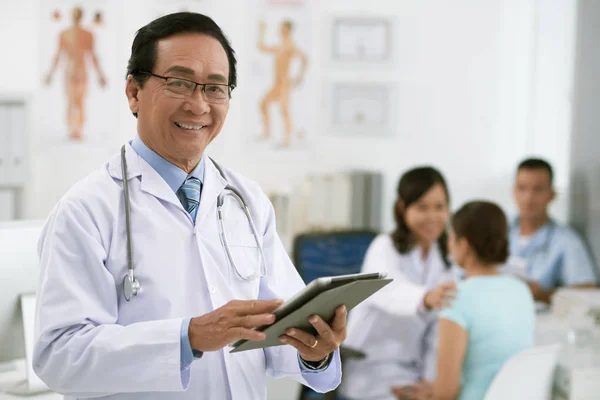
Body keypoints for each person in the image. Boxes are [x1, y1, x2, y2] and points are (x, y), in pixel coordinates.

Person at [33, 12, 344, 400]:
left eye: (215, 88)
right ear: (134, 92)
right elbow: (59, 356)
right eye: (179, 83)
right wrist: (187, 337)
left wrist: (314, 352)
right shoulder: (85, 210)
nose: (199, 105)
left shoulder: (248, 201)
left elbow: (282, 326)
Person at [339, 167, 459, 400]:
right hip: (368, 366)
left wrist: (430, 381)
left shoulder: (446, 259)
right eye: (422, 207)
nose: (433, 217)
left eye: (440, 207)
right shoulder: (384, 247)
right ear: (402, 209)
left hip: (409, 370)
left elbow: (439, 329)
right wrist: (425, 298)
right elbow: (387, 291)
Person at [433, 201, 535, 400]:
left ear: (464, 245)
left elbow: (446, 393)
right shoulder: (521, 290)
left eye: (451, 237)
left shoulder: (456, 298)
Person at [508, 158, 597, 305]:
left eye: (538, 189)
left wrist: (542, 294)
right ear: (514, 191)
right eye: (522, 188)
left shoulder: (567, 240)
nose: (528, 197)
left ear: (552, 194)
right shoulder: (498, 229)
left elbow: (588, 291)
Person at [44, 7, 107, 141]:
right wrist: (100, 75)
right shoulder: (86, 34)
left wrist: (50, 74)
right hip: (79, 71)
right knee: (78, 102)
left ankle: (75, 130)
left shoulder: (66, 34)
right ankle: (75, 130)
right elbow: (92, 57)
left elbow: (58, 56)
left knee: (73, 101)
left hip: (71, 71)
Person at [257, 20, 308, 147]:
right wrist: (262, 30)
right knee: (263, 104)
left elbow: (304, 58)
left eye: (282, 27)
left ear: (287, 29)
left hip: (284, 84)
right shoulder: (279, 46)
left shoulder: (290, 46)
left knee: (284, 111)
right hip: (276, 85)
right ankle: (267, 133)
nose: (280, 29)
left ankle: (288, 140)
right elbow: (262, 47)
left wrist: (299, 76)